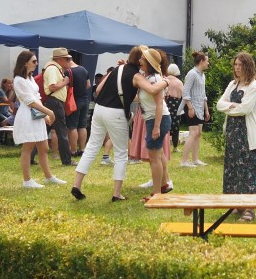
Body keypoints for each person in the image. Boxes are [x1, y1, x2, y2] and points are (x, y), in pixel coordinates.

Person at [72, 46, 167, 202]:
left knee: (91, 147)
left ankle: (77, 185)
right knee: (121, 153)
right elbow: (151, 89)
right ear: (140, 59)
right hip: (115, 112)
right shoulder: (136, 76)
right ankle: (116, 194)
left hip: (99, 109)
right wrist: (166, 82)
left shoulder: (118, 68)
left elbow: (98, 90)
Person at [215, 52, 256, 222]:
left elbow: (245, 109)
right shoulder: (232, 84)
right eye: (235, 65)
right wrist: (231, 105)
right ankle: (237, 203)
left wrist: (230, 107)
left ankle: (250, 208)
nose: (237, 68)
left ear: (248, 66)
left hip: (247, 134)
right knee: (233, 168)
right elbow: (219, 104)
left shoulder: (254, 86)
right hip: (232, 132)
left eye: (240, 65)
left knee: (248, 169)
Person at [10, 50, 66, 188]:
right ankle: (27, 181)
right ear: (25, 63)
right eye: (34, 61)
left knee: (44, 147)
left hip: (36, 115)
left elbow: (37, 99)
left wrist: (45, 115)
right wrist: (49, 112)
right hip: (27, 116)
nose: (36, 64)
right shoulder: (19, 80)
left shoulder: (29, 78)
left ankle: (48, 177)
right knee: (28, 148)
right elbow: (30, 102)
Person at [138, 47, 172, 201]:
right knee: (158, 154)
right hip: (154, 118)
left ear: (149, 63)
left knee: (154, 158)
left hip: (158, 119)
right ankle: (164, 184)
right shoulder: (149, 77)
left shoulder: (155, 79)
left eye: (142, 59)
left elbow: (159, 104)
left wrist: (156, 127)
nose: (139, 61)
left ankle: (156, 193)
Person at [42, 48, 75, 166]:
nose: (69, 61)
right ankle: (67, 160)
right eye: (67, 59)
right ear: (60, 59)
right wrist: (65, 82)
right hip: (55, 103)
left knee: (43, 131)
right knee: (62, 132)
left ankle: (30, 157)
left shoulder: (55, 68)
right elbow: (52, 87)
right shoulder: (52, 69)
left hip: (54, 103)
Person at [181, 51, 210, 167]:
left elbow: (203, 94)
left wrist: (206, 110)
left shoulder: (202, 75)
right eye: (207, 61)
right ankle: (184, 161)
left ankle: (195, 159)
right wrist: (190, 108)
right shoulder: (192, 74)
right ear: (202, 61)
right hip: (192, 108)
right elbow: (185, 92)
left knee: (198, 133)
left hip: (200, 108)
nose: (208, 63)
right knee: (193, 133)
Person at [66, 53, 91, 157]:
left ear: (67, 60)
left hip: (73, 102)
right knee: (82, 126)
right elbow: (88, 85)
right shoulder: (84, 69)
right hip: (85, 100)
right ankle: (82, 149)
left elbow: (66, 88)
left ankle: (73, 151)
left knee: (72, 126)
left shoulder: (68, 71)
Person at [164, 63, 184, 152]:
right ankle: (175, 147)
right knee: (175, 126)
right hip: (176, 105)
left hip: (165, 103)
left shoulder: (164, 80)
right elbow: (183, 95)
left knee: (164, 125)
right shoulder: (179, 82)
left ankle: (164, 146)